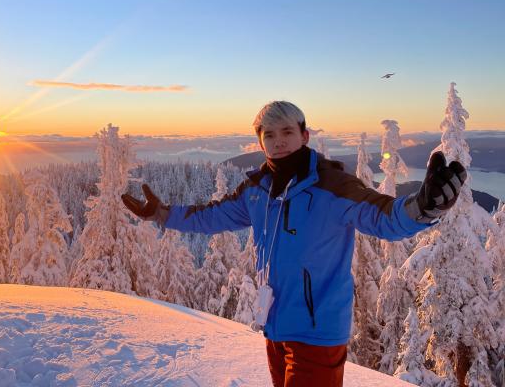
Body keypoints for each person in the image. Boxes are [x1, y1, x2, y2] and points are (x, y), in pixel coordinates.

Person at [121, 101, 466, 387]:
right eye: (268, 134)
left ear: (304, 135)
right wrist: (162, 214)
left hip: (317, 332)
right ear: (259, 143)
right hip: (275, 326)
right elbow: (210, 217)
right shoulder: (256, 190)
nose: (278, 141)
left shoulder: (333, 185)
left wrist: (422, 208)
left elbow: (384, 217)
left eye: (287, 132)